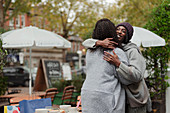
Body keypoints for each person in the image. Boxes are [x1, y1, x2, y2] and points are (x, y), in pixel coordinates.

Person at [82, 22, 152, 113]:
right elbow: (86, 42)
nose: (119, 32)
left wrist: (118, 64)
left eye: (123, 31)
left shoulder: (132, 51)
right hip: (122, 97)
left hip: (134, 97)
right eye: (117, 29)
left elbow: (137, 75)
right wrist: (99, 42)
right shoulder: (111, 47)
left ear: (128, 35)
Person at [81, 19, 129, 113]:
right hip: (107, 95)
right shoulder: (117, 52)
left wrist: (98, 43)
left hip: (87, 93)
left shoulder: (90, 51)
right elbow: (125, 79)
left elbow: (86, 43)